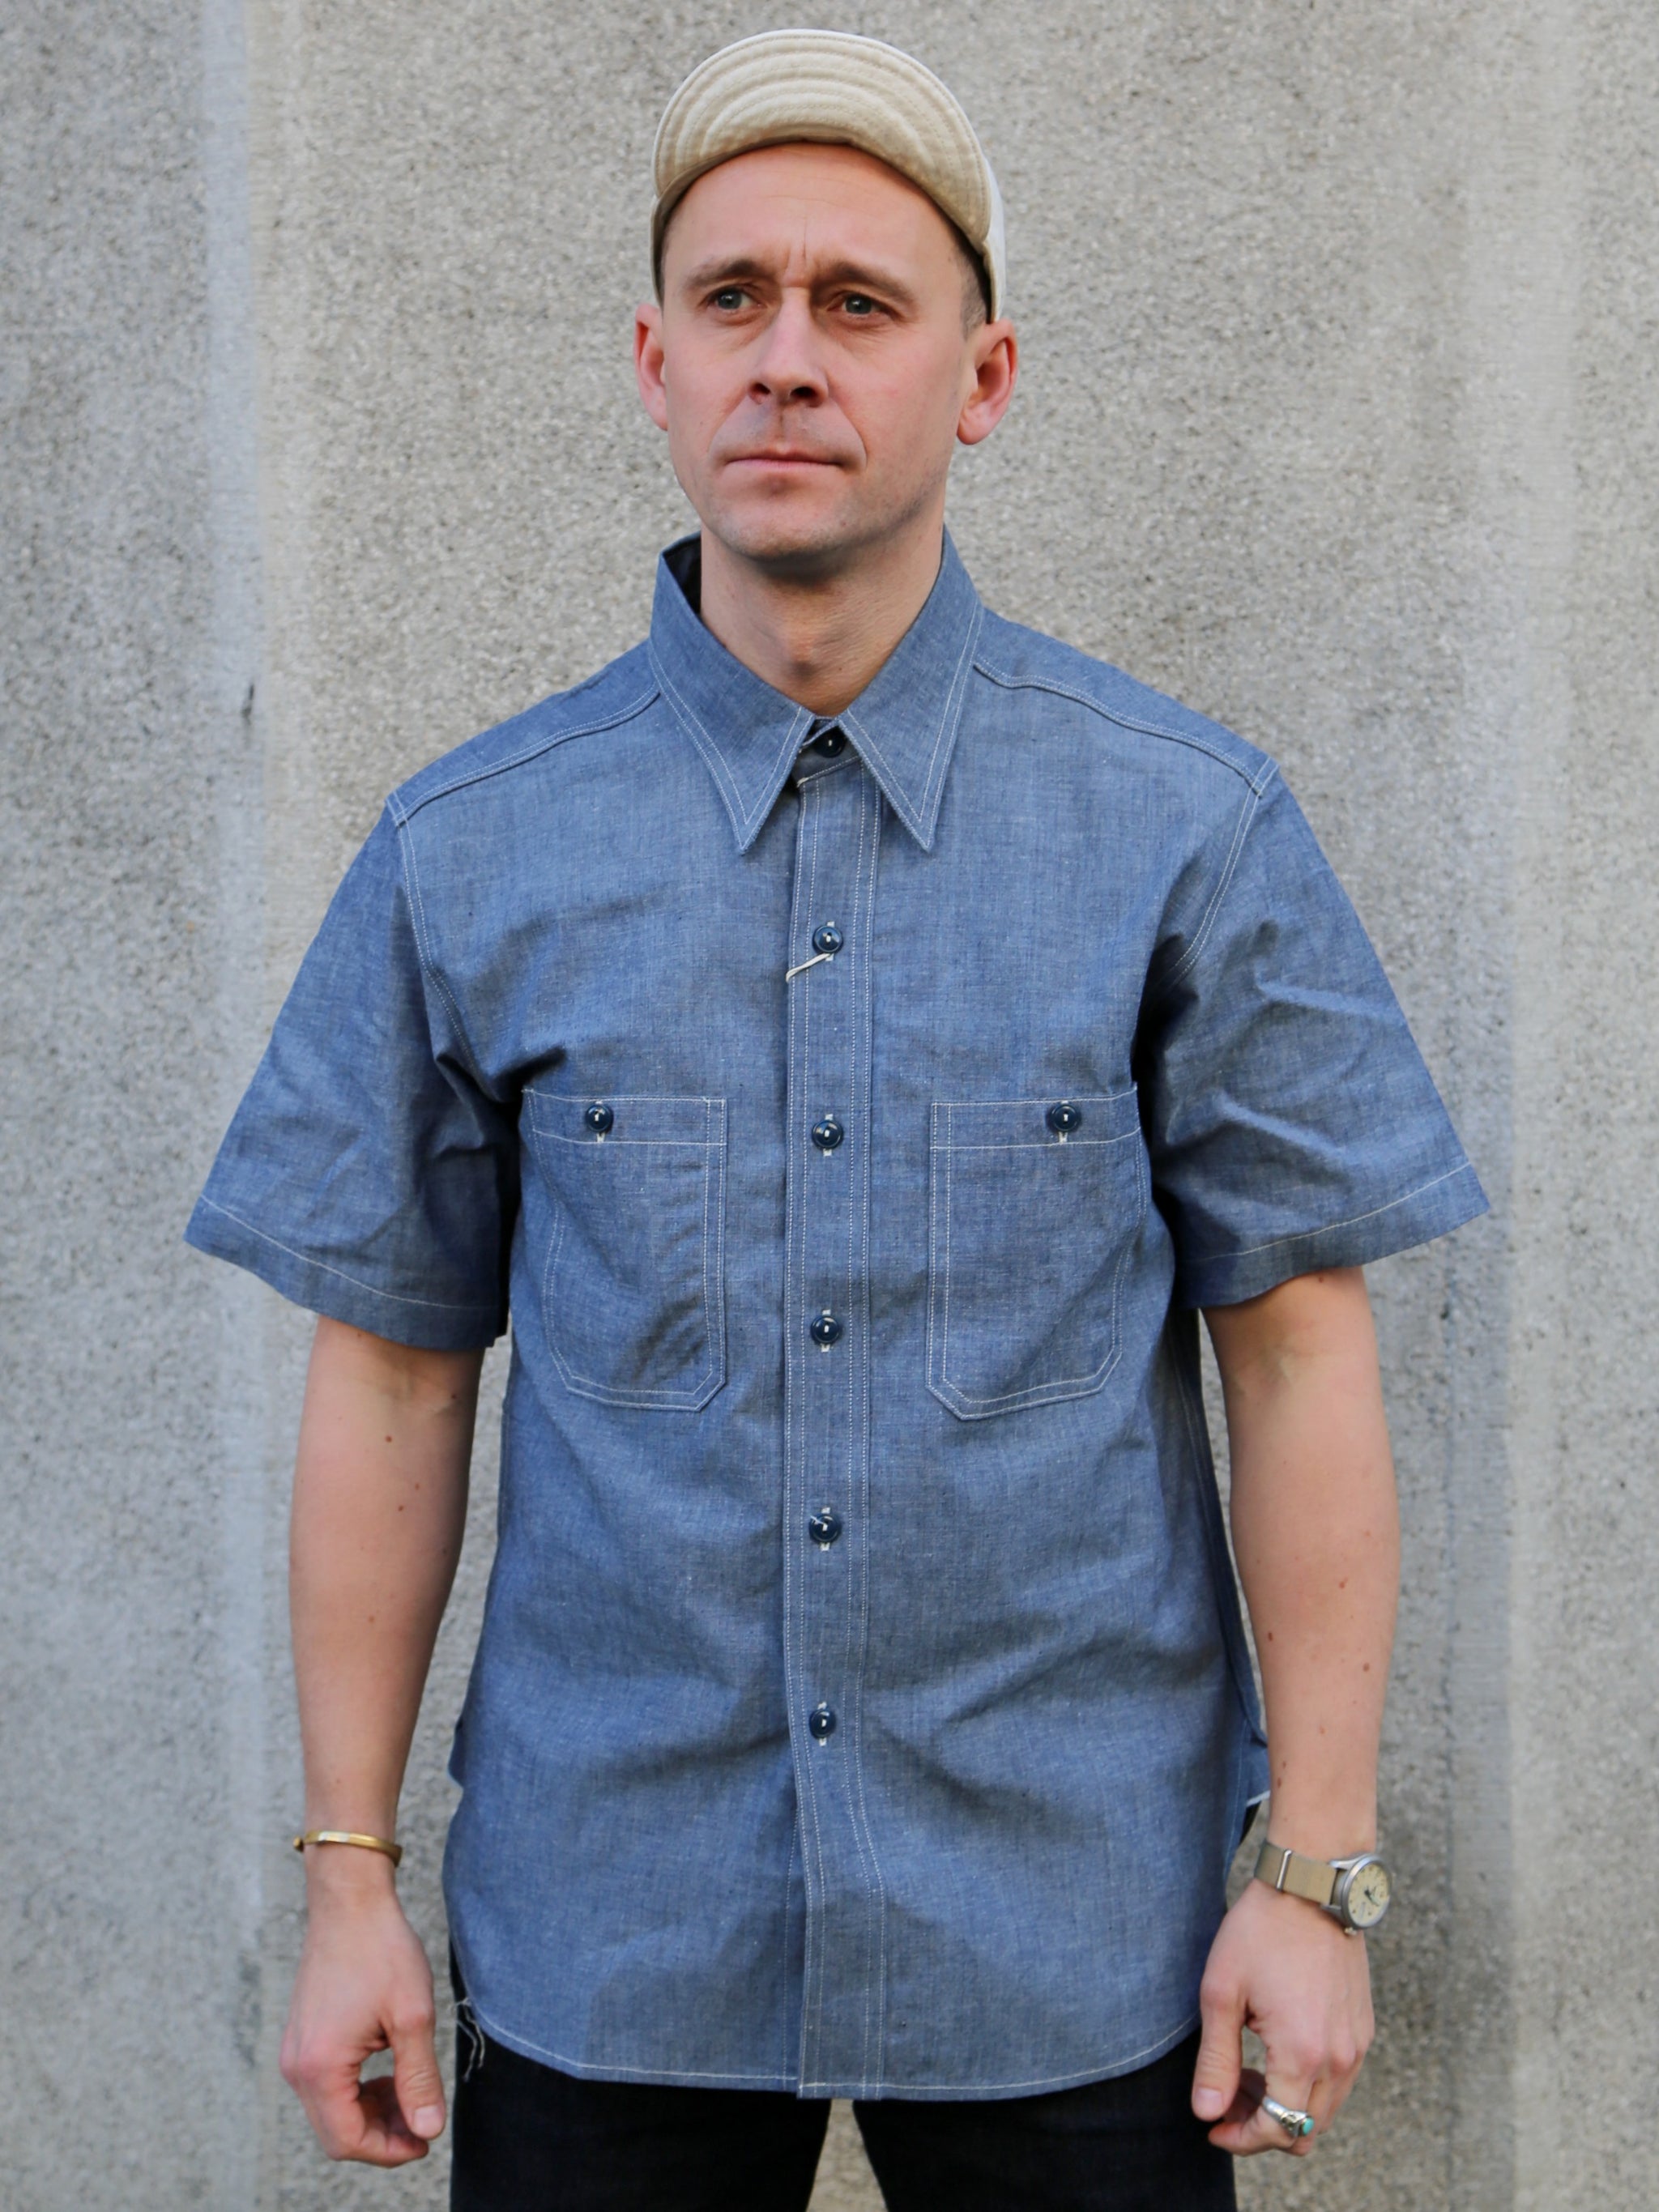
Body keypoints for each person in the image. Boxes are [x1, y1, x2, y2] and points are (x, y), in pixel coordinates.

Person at [186, 29, 1487, 2210]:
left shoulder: (1184, 828)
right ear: (656, 362)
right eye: (735, 298)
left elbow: (1295, 1353)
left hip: (1077, 1925)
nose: (787, 357)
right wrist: (348, 1877)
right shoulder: (467, 850)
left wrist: (1317, 1872)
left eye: (860, 304)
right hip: (615, 1925)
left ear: (983, 376)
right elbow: (394, 1378)